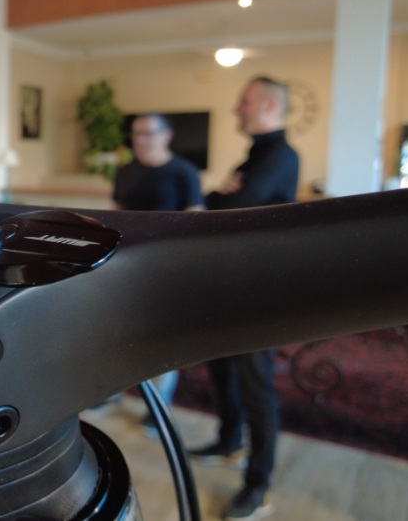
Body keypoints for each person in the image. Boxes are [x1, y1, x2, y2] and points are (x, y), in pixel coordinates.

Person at [193, 76, 299, 521]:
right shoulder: (258, 155)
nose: (237, 108)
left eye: (245, 101)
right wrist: (222, 195)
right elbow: (222, 201)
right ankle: (229, 441)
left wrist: (221, 195)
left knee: (256, 386)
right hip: (233, 282)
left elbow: (231, 206)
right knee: (222, 367)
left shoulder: (280, 156)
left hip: (258, 290)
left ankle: (258, 486)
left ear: (270, 106)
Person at [112, 113, 204, 437]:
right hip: (127, 267)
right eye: (136, 134)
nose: (141, 140)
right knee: (120, 333)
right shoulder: (124, 171)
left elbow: (196, 222)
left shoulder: (184, 172)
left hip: (168, 269)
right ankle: (112, 392)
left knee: (163, 340)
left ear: (166, 135)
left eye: (148, 133)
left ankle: (158, 409)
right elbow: (115, 215)